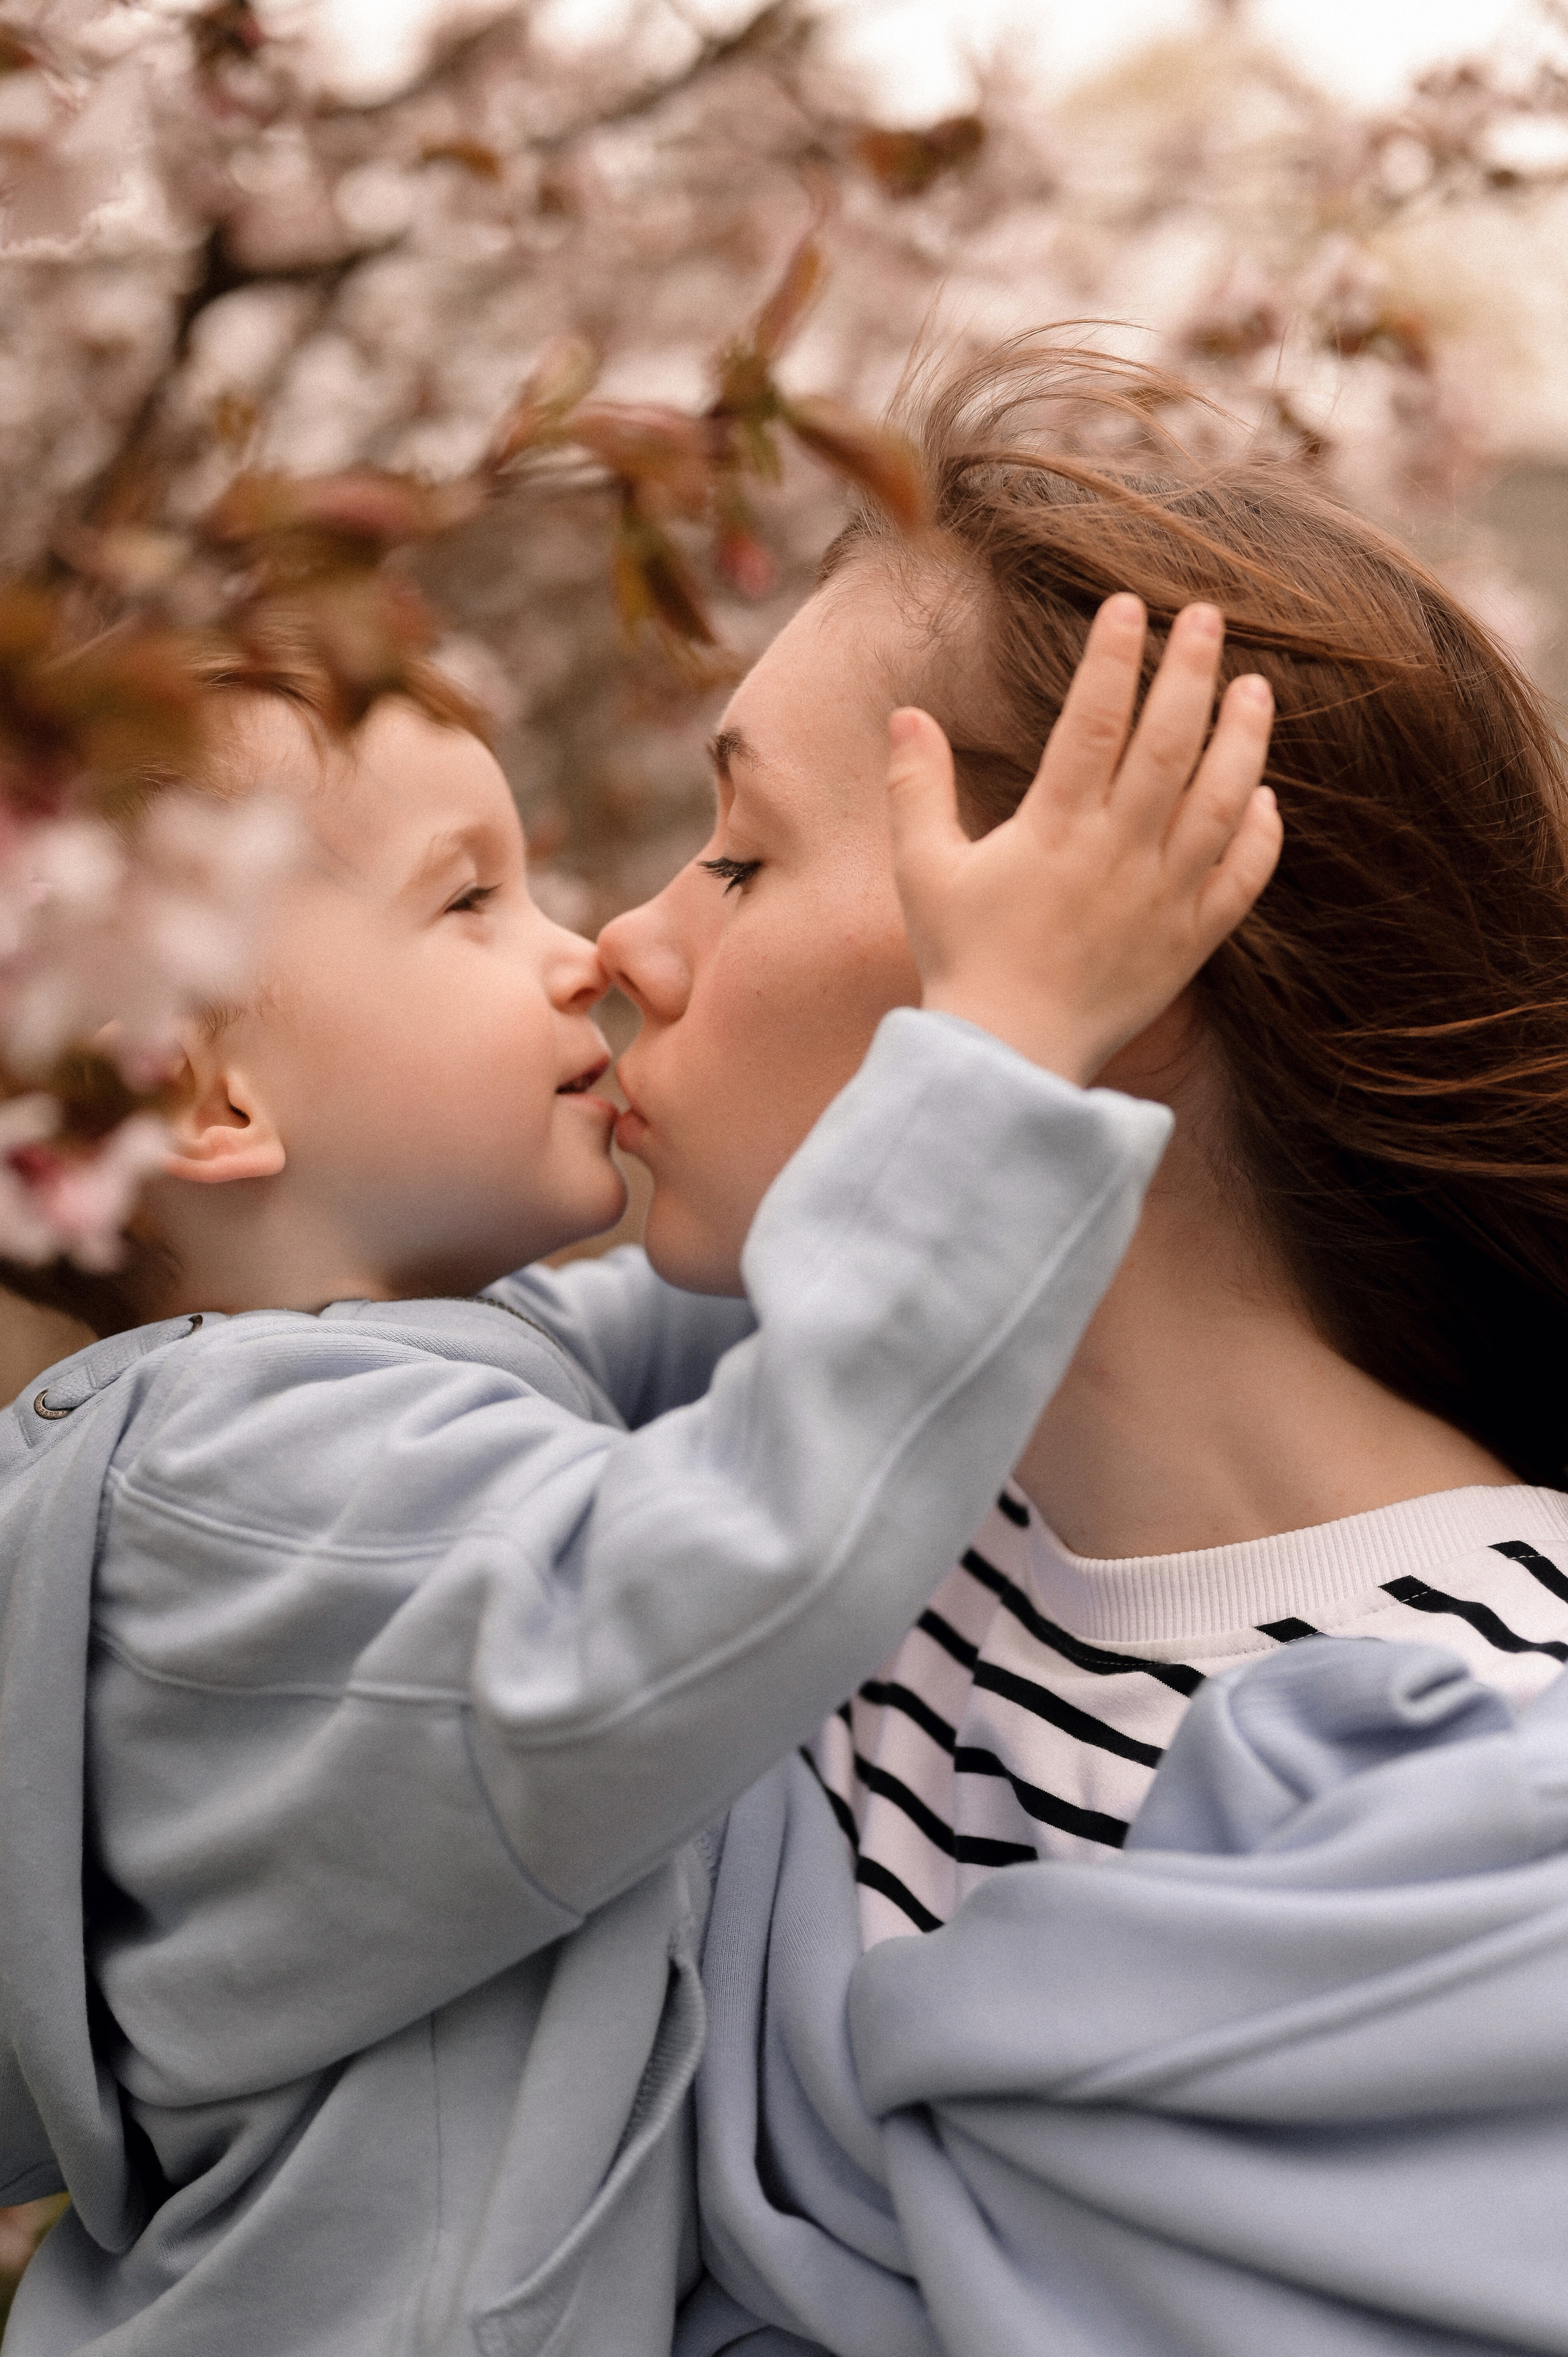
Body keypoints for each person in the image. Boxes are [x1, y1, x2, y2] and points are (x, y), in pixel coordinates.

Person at [0, 607, 1278, 2355]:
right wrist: (1000, 1049)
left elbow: (730, 1358)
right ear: (211, 1092)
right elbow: (747, 1546)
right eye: (467, 901)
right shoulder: (252, 1499)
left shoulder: (386, 1388)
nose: (579, 947)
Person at [584, 343, 1568, 2354]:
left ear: (1108, 964)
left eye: (748, 857)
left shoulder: (1493, 1798)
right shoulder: (745, 1499)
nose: (626, 944)